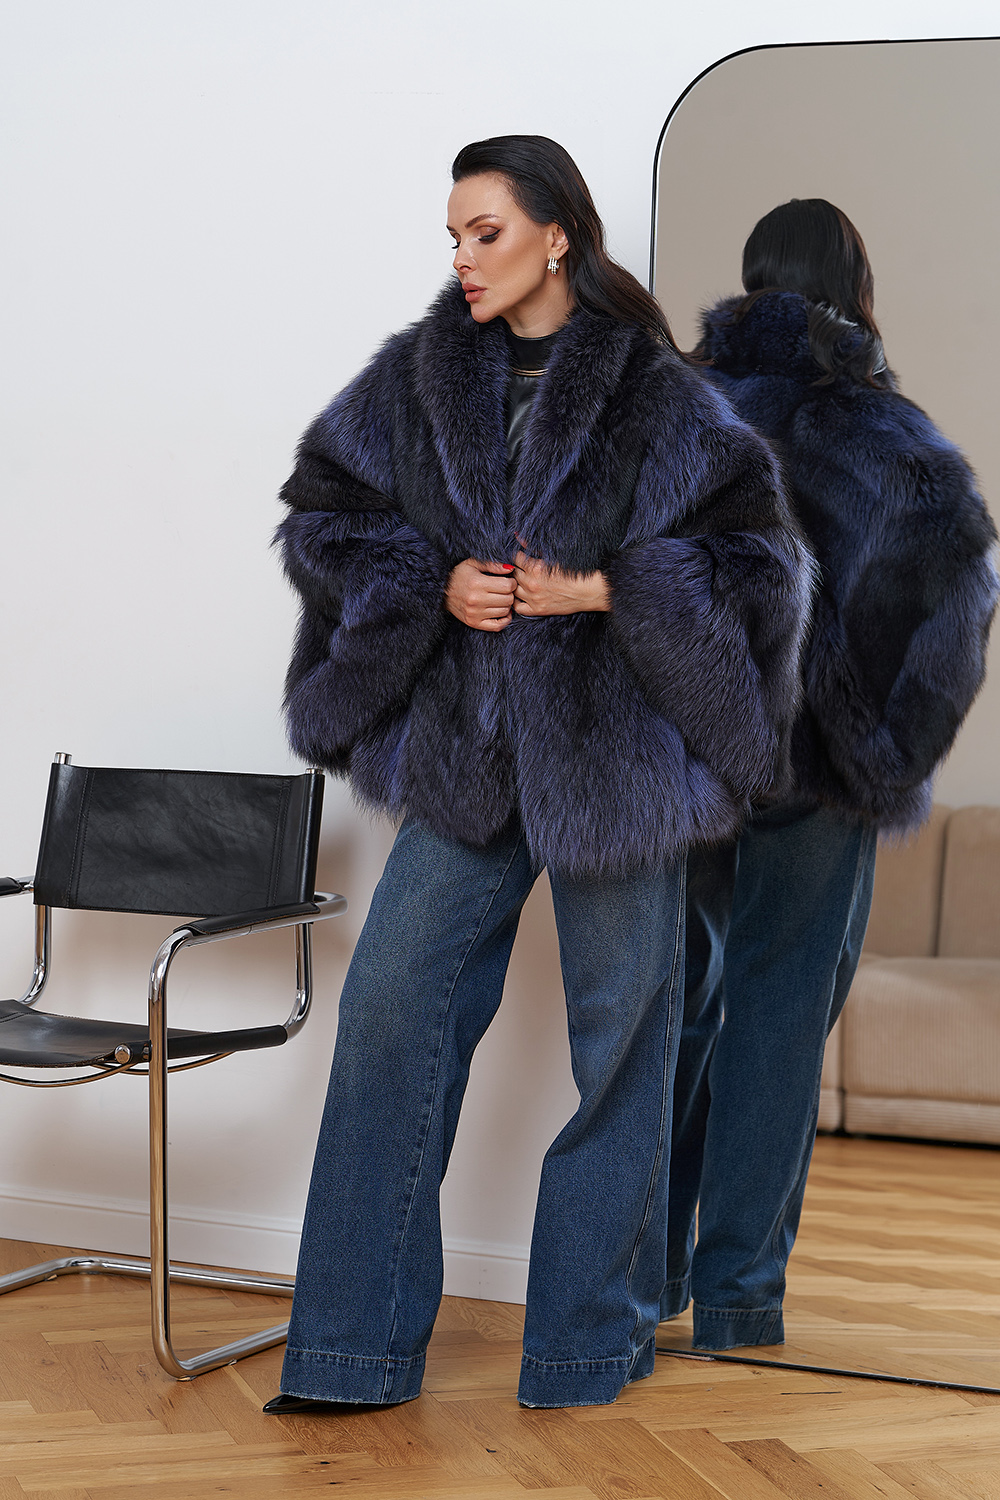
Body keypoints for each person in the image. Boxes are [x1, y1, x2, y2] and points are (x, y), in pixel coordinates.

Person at [265, 136, 811, 1414]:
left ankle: (579, 1349)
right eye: (453, 237)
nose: (464, 259)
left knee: (622, 1048)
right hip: (468, 761)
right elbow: (321, 518)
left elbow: (763, 565)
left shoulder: (661, 395)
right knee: (390, 1014)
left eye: (487, 232)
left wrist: (612, 589)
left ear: (557, 235)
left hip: (621, 772)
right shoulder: (414, 380)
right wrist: (432, 580)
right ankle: (350, 1350)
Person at [663, 197, 999, 1352]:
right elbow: (964, 590)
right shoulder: (880, 429)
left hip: (696, 760)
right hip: (820, 770)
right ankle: (736, 1299)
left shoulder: (682, 412)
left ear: (750, 279)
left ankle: (648, 1277)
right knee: (777, 1015)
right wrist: (887, 748)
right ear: (855, 291)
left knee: (678, 1006)